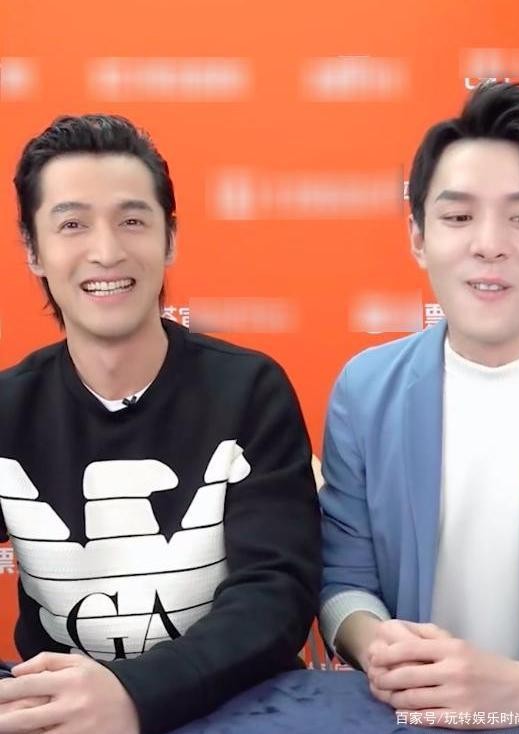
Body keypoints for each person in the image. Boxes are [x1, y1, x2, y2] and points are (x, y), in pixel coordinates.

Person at [0, 114, 321, 734]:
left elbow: (275, 593)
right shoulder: (10, 409)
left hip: (237, 711)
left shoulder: (249, 390)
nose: (106, 251)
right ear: (33, 250)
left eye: (132, 221)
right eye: (72, 224)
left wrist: (133, 694)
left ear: (169, 238)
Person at [320, 81, 519, 727]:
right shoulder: (366, 390)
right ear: (418, 237)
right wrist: (376, 643)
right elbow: (344, 579)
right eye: (458, 217)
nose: (490, 243)